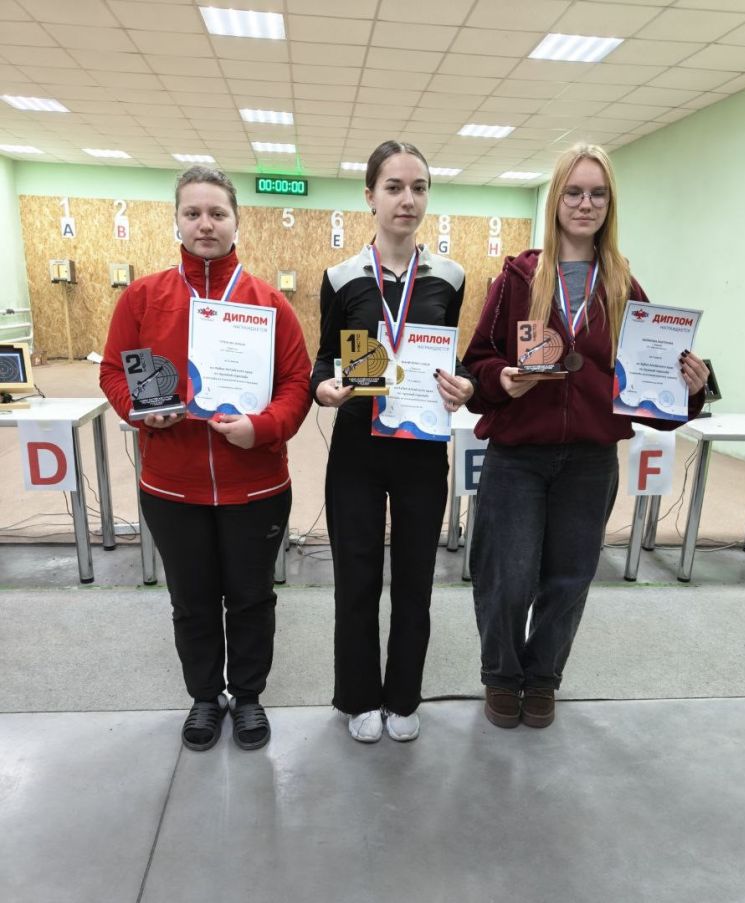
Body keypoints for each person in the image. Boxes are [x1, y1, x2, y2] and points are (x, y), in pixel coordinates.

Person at [463, 143, 708, 730]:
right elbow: (478, 364)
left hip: (591, 459)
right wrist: (502, 380)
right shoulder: (519, 277)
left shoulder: (623, 286)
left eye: (597, 194)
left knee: (569, 579)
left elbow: (649, 389)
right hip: (518, 455)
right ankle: (502, 676)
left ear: (609, 204)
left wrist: (691, 388)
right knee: (507, 576)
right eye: (573, 192)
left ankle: (543, 677)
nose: (585, 203)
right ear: (556, 199)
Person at [100, 166, 311, 751]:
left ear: (236, 221)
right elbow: (114, 370)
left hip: (256, 485)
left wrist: (261, 428)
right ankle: (203, 697)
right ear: (177, 221)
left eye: (217, 213)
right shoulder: (144, 298)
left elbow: (296, 383)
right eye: (192, 213)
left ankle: (247, 695)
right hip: (172, 486)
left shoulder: (268, 302)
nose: (205, 224)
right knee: (191, 602)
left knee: (251, 599)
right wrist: (139, 411)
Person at [311, 140, 475, 743]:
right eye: (394, 187)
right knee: (356, 577)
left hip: (421, 449)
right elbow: (324, 359)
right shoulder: (341, 277)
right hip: (358, 444)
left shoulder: (450, 277)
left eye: (419, 187)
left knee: (414, 579)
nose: (408, 199)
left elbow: (453, 359)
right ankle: (358, 697)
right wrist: (322, 389)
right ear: (370, 197)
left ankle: (403, 697)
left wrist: (466, 385)